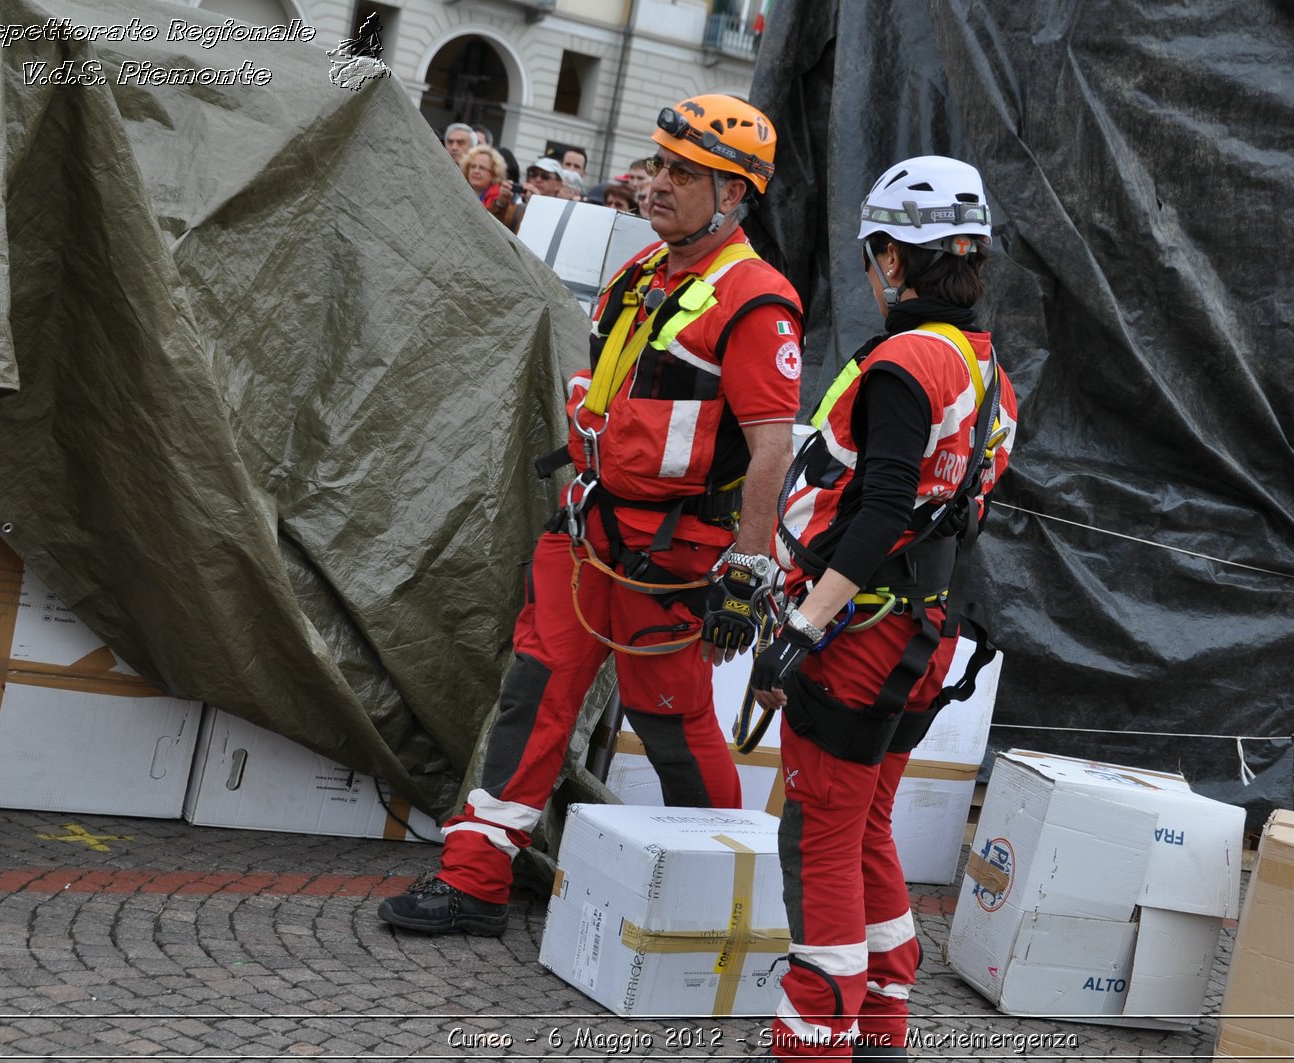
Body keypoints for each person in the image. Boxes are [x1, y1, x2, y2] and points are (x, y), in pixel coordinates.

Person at [377, 94, 802, 937]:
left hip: (672, 558)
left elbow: (772, 450)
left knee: (674, 723)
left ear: (734, 195)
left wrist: (748, 575)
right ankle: (474, 881)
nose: (657, 182)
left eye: (685, 172)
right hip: (587, 535)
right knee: (533, 697)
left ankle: (726, 896)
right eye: (658, 163)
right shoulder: (643, 274)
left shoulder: (757, 301)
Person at [749, 155, 1018, 1060]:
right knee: (866, 823)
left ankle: (814, 1037)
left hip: (859, 635)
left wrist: (799, 626)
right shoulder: (984, 367)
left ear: (894, 260)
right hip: (920, 635)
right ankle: (883, 1021)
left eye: (873, 256)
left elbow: (885, 508)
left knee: (825, 831)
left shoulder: (908, 360)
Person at [459, 144, 514, 221]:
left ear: (494, 173)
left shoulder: (500, 198)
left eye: (482, 168)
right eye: (473, 166)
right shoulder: (460, 192)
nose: (476, 171)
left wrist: (500, 204)